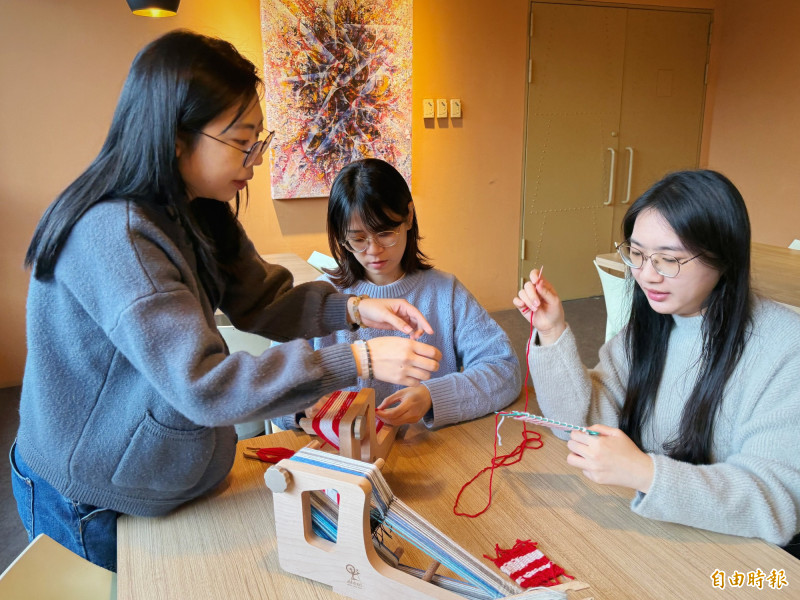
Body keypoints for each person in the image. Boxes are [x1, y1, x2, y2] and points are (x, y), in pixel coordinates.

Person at [11, 30, 443, 572]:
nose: (256, 159)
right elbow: (204, 385)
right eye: (243, 141)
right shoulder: (117, 235)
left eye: (260, 140)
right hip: (94, 496)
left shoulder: (197, 208)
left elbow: (263, 300)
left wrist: (354, 309)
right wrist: (358, 358)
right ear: (175, 138)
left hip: (157, 472)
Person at [513, 169, 800, 554]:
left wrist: (645, 473)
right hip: (665, 533)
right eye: (636, 253)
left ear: (724, 258)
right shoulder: (652, 323)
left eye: (667, 260)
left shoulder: (784, 346)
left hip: (745, 559)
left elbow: (776, 506)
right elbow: (580, 426)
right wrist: (552, 331)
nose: (646, 275)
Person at [273, 158, 520, 431]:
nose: (374, 250)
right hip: (344, 460)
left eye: (385, 233)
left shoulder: (445, 292)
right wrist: (303, 409)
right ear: (341, 236)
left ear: (409, 216)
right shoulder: (319, 300)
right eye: (357, 239)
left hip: (430, 454)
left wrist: (432, 396)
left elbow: (504, 370)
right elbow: (270, 387)